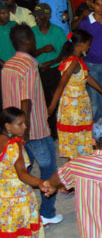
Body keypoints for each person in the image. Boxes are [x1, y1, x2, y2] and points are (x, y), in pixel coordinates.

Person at [2, 24, 62, 226]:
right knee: (49, 168)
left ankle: (20, 210)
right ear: (29, 40)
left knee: (21, 170)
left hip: (12, 130)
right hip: (33, 129)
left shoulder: (8, 65)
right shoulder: (29, 65)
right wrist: (26, 128)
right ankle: (47, 213)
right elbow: (26, 100)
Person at [48, 29, 102, 160]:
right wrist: (51, 108)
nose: (89, 47)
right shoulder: (73, 62)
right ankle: (77, 167)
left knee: (76, 139)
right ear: (81, 44)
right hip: (74, 107)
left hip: (77, 105)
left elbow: (88, 78)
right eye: (88, 44)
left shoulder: (76, 61)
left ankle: (77, 165)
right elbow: (61, 85)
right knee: (76, 137)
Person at [0, 107, 46, 238]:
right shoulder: (14, 145)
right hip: (18, 200)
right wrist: (41, 182)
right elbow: (22, 175)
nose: (25, 127)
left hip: (3, 200)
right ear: (8, 126)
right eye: (20, 124)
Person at [31, 3, 66, 141]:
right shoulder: (32, 31)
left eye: (40, 16)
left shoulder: (57, 31)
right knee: (42, 101)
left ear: (48, 16)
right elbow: (27, 53)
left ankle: (56, 129)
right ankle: (46, 129)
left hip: (54, 70)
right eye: (35, 16)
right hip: (37, 71)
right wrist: (42, 50)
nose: (37, 18)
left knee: (56, 100)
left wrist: (51, 62)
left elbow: (64, 52)